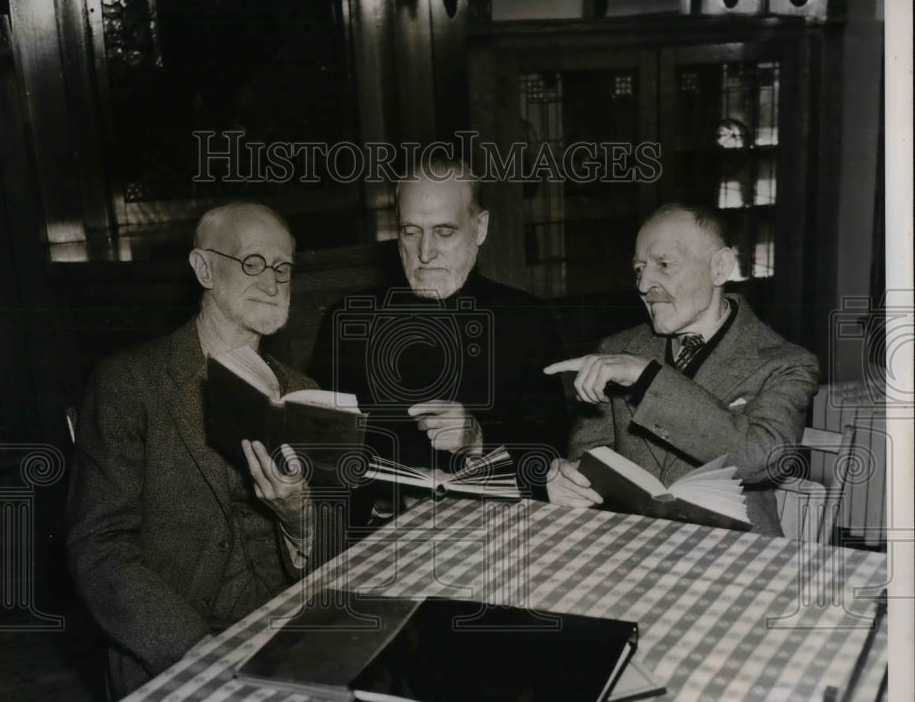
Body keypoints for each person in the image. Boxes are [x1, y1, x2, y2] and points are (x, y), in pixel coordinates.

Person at [66, 203, 319, 699]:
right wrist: (199, 654)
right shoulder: (129, 382)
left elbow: (331, 551)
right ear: (204, 268)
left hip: (286, 633)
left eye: (283, 267)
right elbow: (98, 548)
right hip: (172, 651)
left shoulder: (300, 391)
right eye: (252, 263)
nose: (272, 282)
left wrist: (299, 520)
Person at [545, 203, 820, 535]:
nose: (644, 284)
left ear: (720, 267)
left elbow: (762, 456)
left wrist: (647, 378)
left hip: (737, 557)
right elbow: (590, 456)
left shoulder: (786, 363)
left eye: (664, 265)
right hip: (631, 546)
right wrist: (569, 478)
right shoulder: (617, 351)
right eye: (639, 268)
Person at [310, 156, 569, 498]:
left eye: (444, 232)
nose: (425, 252)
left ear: (480, 228)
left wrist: (477, 439)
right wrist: (389, 488)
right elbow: (322, 449)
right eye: (410, 231)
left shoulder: (527, 319)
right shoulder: (348, 321)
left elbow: (550, 450)